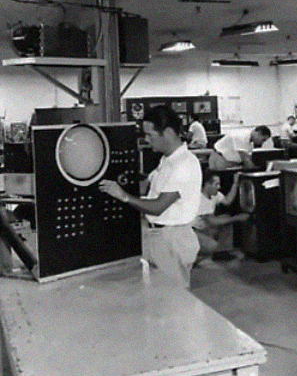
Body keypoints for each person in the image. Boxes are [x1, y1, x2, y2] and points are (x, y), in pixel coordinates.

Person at [99, 104, 202, 288]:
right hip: (158, 235)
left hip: (172, 240)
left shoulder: (184, 165)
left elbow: (158, 206)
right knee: (158, 295)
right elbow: (152, 186)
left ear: (168, 133)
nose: (147, 140)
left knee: (173, 300)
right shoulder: (168, 160)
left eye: (150, 135)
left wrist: (123, 196)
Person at [193, 169, 249, 262]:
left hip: (205, 228)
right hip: (196, 232)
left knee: (226, 218)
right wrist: (237, 218)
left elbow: (227, 201)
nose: (219, 187)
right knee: (212, 246)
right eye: (216, 184)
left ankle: (222, 252)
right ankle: (199, 254)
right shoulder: (200, 199)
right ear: (207, 185)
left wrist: (235, 183)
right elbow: (212, 221)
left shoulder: (214, 194)